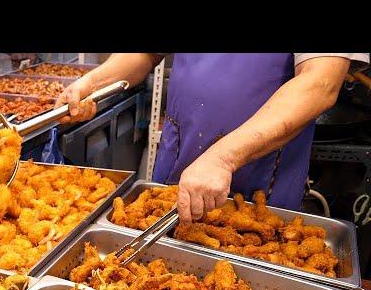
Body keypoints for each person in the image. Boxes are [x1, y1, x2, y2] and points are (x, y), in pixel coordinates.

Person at [55, 53, 369, 222]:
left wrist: (224, 157)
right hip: (176, 172)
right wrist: (93, 83)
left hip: (258, 185)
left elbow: (319, 84)